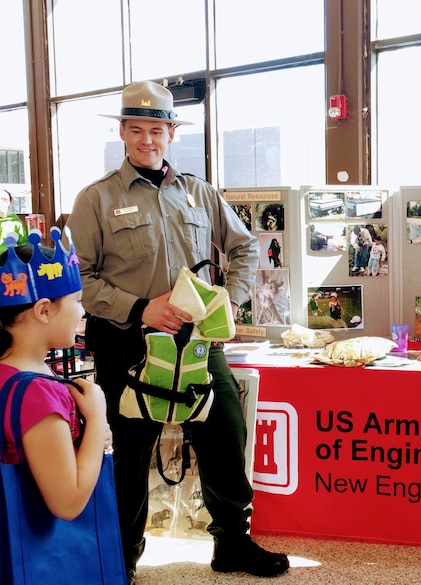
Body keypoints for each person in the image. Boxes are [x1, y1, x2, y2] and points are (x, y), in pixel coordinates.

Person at [66, 80, 289, 584]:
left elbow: (246, 247)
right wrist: (141, 308)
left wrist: (229, 299)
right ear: (123, 132)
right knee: (131, 452)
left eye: (158, 129)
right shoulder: (96, 199)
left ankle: (232, 543)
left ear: (171, 133)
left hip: (197, 344)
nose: (148, 139)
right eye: (137, 129)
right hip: (128, 344)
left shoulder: (198, 192)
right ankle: (122, 556)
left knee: (225, 437)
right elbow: (79, 278)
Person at [0, 229, 112, 521]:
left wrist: (91, 437)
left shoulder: (17, 372)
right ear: (44, 310)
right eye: (76, 300)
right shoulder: (37, 392)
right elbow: (68, 503)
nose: (83, 312)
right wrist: (98, 417)